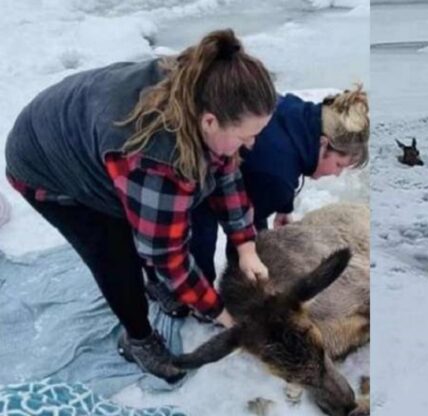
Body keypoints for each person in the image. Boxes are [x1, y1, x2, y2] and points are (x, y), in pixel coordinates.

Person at [4, 29, 276, 383]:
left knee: (151, 229)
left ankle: (159, 287)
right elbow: (167, 254)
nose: (251, 145)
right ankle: (137, 339)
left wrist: (246, 245)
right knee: (114, 251)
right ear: (209, 122)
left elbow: (225, 169)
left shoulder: (208, 91)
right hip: (45, 165)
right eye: (245, 136)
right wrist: (219, 312)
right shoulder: (157, 159)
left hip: (92, 130)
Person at [144, 87, 369, 317]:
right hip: (187, 165)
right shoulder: (276, 178)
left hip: (241, 162)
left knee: (251, 233)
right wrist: (234, 269)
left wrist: (283, 207)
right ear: (323, 144)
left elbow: (280, 161)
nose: (337, 174)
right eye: (339, 164)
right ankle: (170, 287)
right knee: (200, 235)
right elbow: (240, 220)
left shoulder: (302, 116)